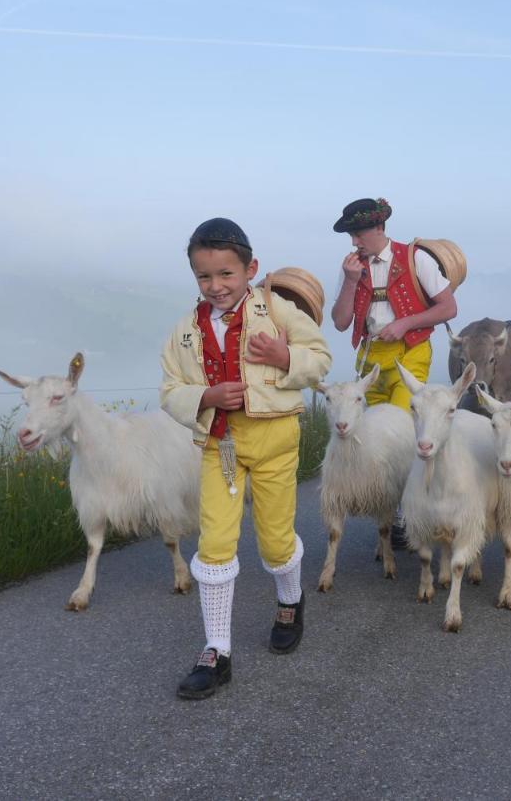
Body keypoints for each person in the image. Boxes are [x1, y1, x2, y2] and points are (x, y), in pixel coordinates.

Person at [161, 217, 332, 700]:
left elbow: (319, 357)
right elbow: (169, 388)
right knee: (214, 543)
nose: (215, 286)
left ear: (250, 269)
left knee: (276, 540)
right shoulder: (185, 331)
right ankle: (217, 651)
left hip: (276, 438)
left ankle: (290, 600)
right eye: (203, 277)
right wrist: (206, 394)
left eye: (226, 275)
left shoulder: (277, 311)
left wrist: (285, 358)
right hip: (220, 444)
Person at [329, 197, 457, 549]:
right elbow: (340, 323)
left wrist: (406, 323)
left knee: (402, 426)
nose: (354, 242)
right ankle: (390, 502)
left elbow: (448, 307)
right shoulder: (351, 267)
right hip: (370, 360)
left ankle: (404, 512)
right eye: (351, 236)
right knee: (375, 433)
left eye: (358, 234)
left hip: (410, 353)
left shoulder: (416, 259)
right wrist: (352, 281)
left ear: (379, 228)